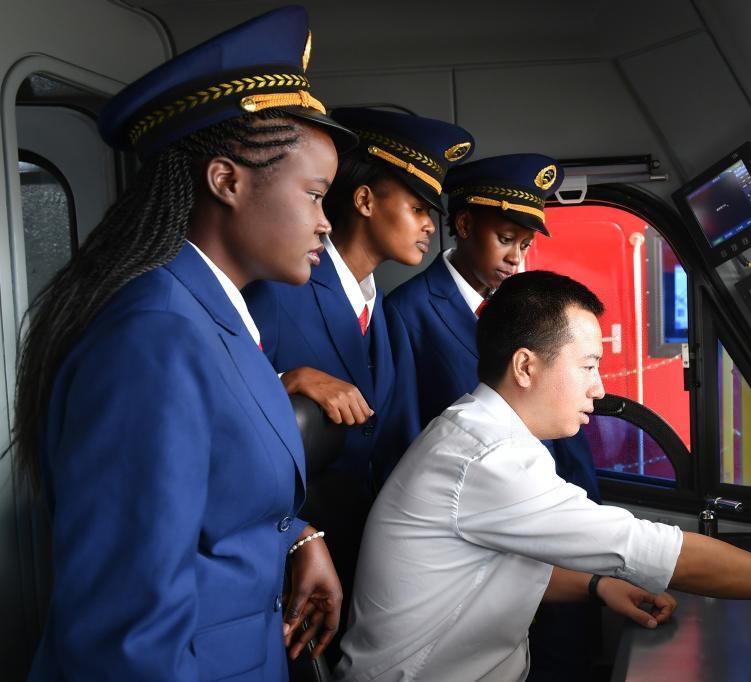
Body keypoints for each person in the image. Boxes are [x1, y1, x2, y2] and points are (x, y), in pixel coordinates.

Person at [336, 270, 751, 681]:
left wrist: (598, 585)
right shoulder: (489, 457)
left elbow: (489, 570)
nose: (599, 388)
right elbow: (657, 550)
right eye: (588, 366)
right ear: (526, 366)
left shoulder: (481, 432)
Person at [15, 7, 353, 679]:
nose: (325, 224)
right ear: (226, 181)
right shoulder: (155, 338)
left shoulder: (213, 315)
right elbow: (125, 636)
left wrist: (295, 537)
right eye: (315, 195)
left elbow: (212, 498)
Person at [243, 107, 474, 613]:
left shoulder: (386, 316)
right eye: (417, 208)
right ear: (365, 201)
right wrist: (285, 380)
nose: (429, 226)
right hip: (286, 561)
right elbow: (223, 409)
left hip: (366, 558)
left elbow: (398, 444)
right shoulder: (278, 288)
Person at [385, 154, 603, 679]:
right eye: (505, 239)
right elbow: (405, 432)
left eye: (524, 245)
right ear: (463, 225)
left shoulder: (522, 305)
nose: (515, 258)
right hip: (482, 527)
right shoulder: (410, 311)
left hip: (549, 512)